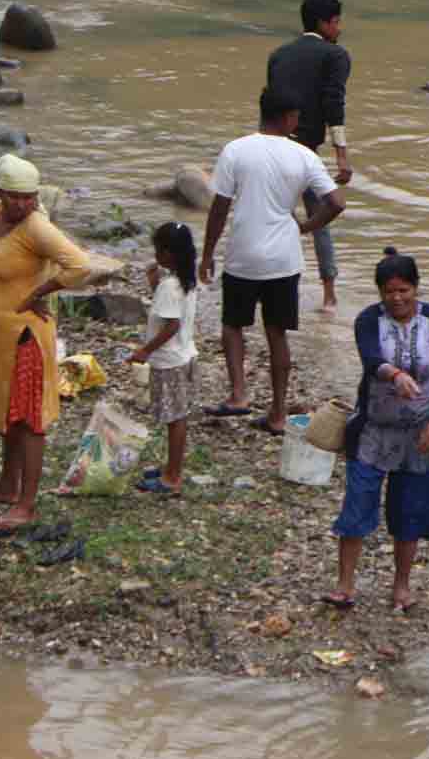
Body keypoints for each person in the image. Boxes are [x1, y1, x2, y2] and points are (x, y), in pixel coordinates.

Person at [325, 247, 429, 613]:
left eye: (404, 290)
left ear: (416, 288)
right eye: (389, 292)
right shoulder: (368, 320)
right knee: (357, 504)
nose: (397, 298)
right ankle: (344, 585)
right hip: (373, 429)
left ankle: (401, 587)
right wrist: (396, 375)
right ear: (380, 293)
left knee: (409, 511)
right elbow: (372, 359)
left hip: (421, 435)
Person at [198, 87, 345, 432]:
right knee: (276, 333)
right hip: (283, 258)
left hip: (243, 255)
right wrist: (307, 227)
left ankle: (238, 395)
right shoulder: (303, 156)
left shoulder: (235, 150)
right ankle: (278, 413)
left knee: (233, 325)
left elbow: (220, 208)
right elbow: (336, 203)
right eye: (296, 116)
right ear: (287, 117)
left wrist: (206, 254)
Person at [0, 155, 96, 532]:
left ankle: (27, 504)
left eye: (29, 197)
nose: (23, 204)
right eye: (15, 197)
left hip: (26, 338)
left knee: (30, 419)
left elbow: (80, 266)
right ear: (0, 192)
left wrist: (43, 291)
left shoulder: (36, 228)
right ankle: (6, 486)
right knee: (7, 414)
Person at [266, 0, 353, 311]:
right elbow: (334, 104)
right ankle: (329, 296)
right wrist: (341, 155)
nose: (339, 28)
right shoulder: (335, 56)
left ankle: (277, 283)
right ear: (323, 23)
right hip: (306, 153)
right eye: (336, 22)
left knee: (276, 216)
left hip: (274, 149)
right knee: (322, 218)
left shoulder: (278, 55)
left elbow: (271, 105)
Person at [130, 223, 199, 496]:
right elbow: (171, 312)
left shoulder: (170, 286)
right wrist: (154, 284)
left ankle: (172, 477)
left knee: (175, 419)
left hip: (170, 361)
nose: (155, 253)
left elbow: (171, 325)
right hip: (185, 356)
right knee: (176, 416)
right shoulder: (185, 280)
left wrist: (145, 350)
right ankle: (171, 467)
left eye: (158, 249)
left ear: (168, 253)